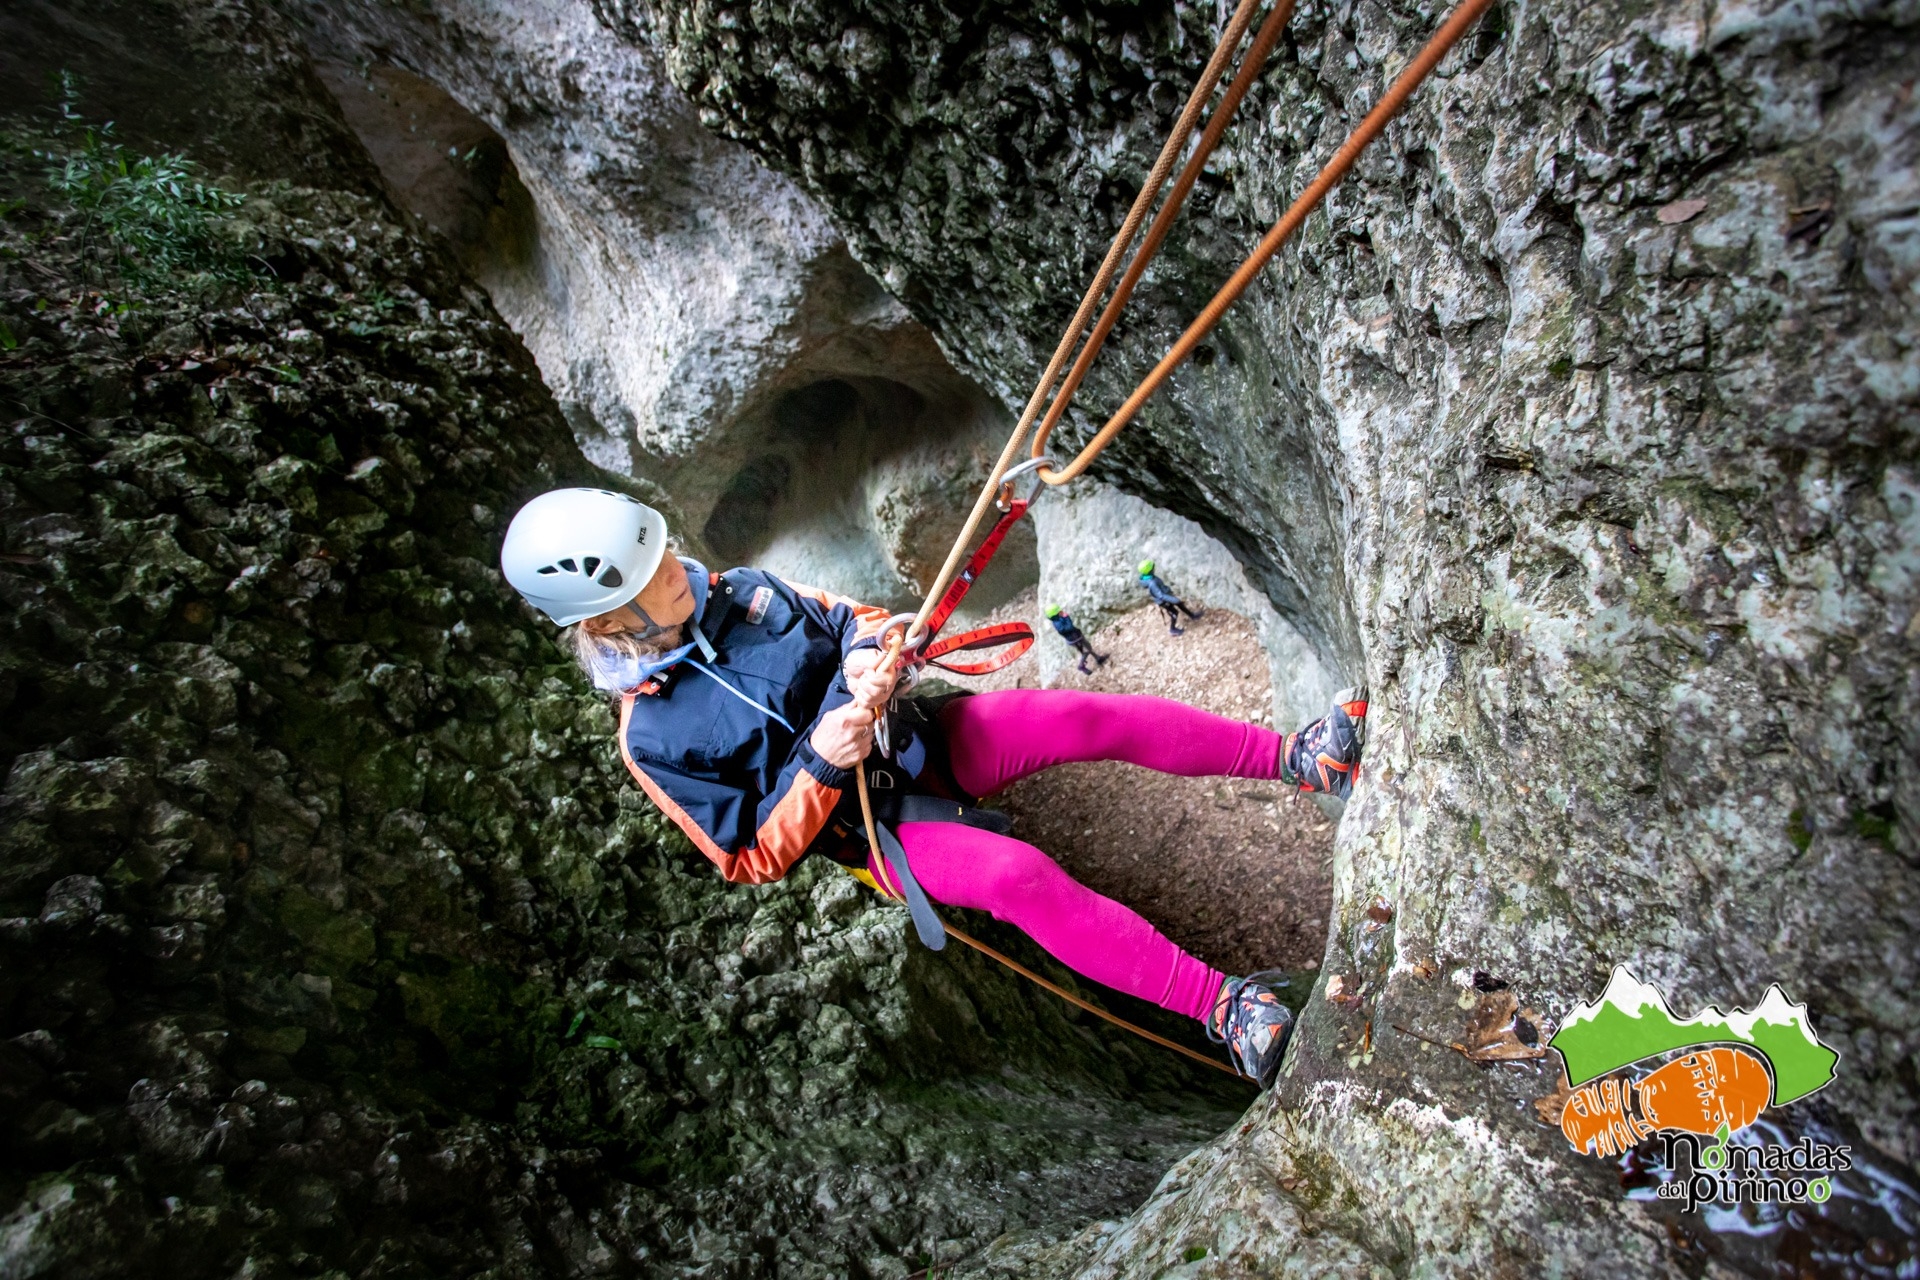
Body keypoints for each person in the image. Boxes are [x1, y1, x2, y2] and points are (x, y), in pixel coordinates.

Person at [500, 489, 1368, 1087]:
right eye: (652, 576)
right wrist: (819, 763)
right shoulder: (653, 741)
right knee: (1014, 879)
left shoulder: (744, 591)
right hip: (879, 829)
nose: (677, 570)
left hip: (919, 737)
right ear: (610, 620)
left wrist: (876, 654)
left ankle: (1300, 758)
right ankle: (1224, 1009)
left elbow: (851, 619)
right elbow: (750, 855)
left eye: (662, 552)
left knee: (1077, 715)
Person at [1137, 559, 1204, 635]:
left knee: (1180, 604)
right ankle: (1172, 629)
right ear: (1150, 570)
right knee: (1174, 613)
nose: (1154, 568)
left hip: (1166, 596)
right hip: (1164, 601)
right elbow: (1160, 595)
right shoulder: (1152, 583)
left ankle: (1192, 615)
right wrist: (1173, 600)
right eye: (1153, 567)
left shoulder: (1148, 578)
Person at [1044, 604, 1109, 675]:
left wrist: (1064, 617)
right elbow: (1070, 627)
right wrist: (1067, 617)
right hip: (1075, 639)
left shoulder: (1058, 619)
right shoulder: (1058, 624)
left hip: (1076, 637)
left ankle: (1098, 658)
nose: (1061, 611)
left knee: (1088, 646)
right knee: (1086, 651)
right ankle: (1081, 666)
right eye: (1059, 611)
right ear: (1055, 615)